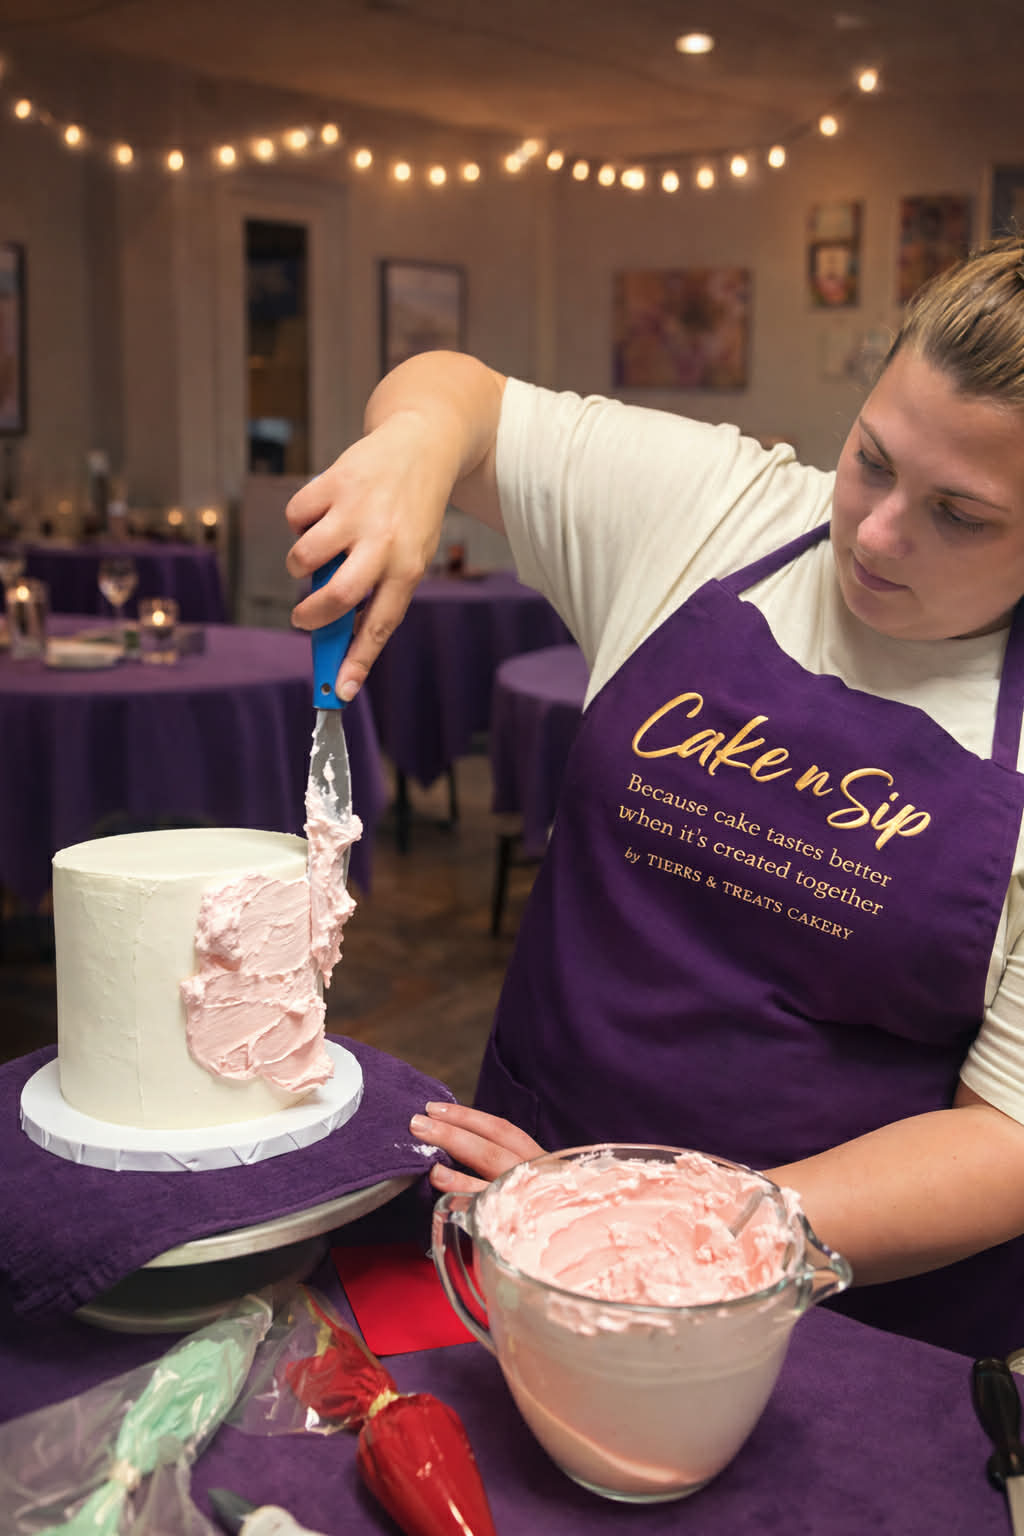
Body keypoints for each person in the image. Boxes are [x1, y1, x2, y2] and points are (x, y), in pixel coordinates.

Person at [287, 236, 1024, 1359]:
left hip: (832, 1317)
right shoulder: (714, 512)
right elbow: (461, 398)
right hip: (520, 1217)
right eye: (870, 458)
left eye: (959, 516)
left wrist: (671, 1226)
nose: (873, 532)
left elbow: (1004, 1139)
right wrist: (414, 450)